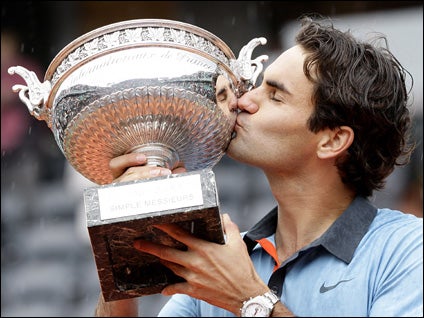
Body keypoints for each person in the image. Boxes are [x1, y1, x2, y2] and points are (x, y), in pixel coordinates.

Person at [95, 15, 423, 317]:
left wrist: (248, 298)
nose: (244, 101)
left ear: (332, 140)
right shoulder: (223, 261)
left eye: (275, 96)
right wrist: (124, 230)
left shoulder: (407, 250)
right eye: (258, 86)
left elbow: (242, 292)